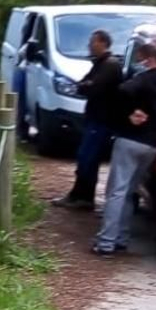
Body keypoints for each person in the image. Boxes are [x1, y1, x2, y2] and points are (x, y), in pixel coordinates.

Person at [92, 42, 156, 255]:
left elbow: (119, 93)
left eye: (140, 60)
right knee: (130, 191)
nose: (138, 65)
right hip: (154, 144)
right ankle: (121, 237)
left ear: (148, 59)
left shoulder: (143, 79)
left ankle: (106, 242)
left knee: (116, 192)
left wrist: (129, 114)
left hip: (131, 139)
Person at [52, 29, 123, 210]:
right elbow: (83, 84)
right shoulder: (100, 64)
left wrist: (85, 86)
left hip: (102, 119)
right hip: (95, 117)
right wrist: (85, 86)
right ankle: (80, 195)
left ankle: (82, 197)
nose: (89, 46)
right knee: (85, 157)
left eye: (93, 42)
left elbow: (92, 87)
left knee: (88, 157)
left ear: (103, 43)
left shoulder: (110, 65)